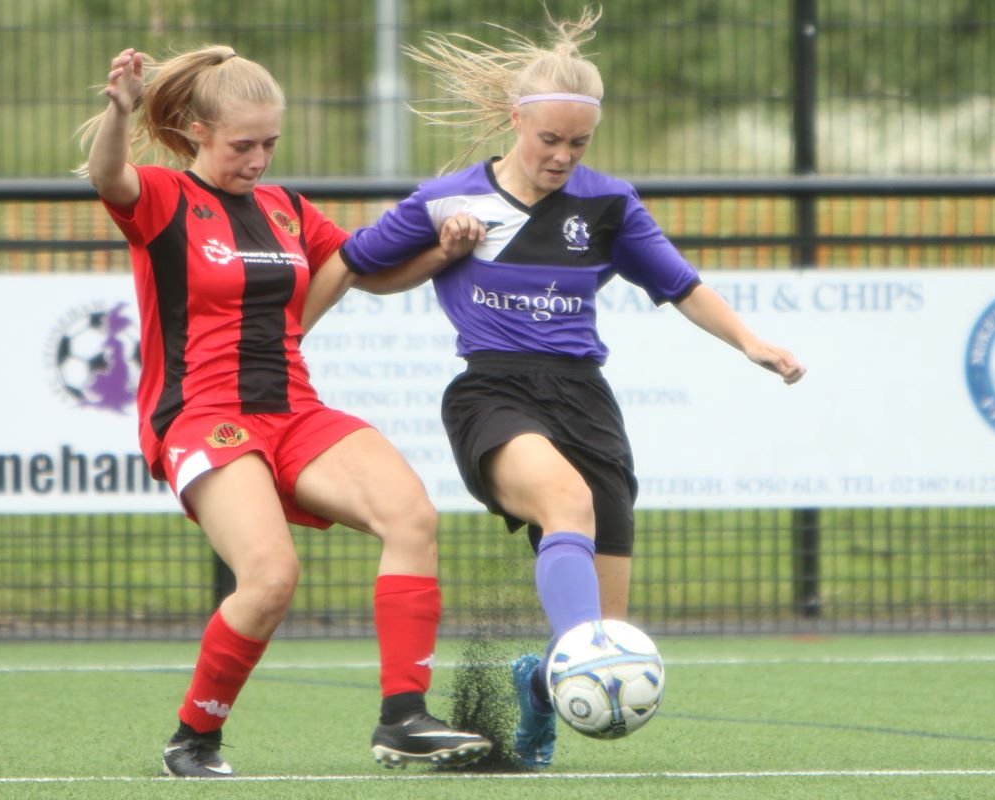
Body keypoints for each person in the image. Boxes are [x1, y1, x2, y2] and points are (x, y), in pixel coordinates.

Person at [323, 5, 807, 769]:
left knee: (602, 631)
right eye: (548, 139)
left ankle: (540, 682)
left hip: (584, 397)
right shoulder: (450, 199)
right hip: (493, 393)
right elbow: (358, 266)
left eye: (577, 143)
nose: (561, 156)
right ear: (515, 120)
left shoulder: (610, 204)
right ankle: (560, 663)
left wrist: (752, 342)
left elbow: (680, 284)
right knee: (566, 505)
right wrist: (425, 264)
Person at [78, 45, 491, 778]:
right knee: (270, 577)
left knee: (412, 516)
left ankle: (403, 719)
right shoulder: (166, 197)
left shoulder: (287, 208)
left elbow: (367, 273)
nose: (259, 159)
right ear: (197, 131)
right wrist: (119, 110)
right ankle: (194, 739)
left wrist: (444, 251)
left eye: (270, 142)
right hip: (203, 415)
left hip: (295, 408)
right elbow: (107, 176)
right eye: (243, 145)